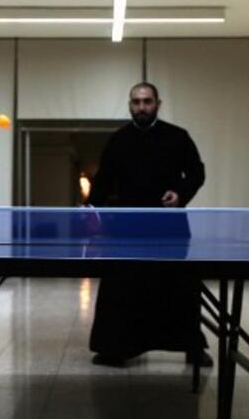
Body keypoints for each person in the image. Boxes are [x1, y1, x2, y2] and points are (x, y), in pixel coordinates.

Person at [86, 81, 209, 367]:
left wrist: (180, 192)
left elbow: (196, 172)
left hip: (169, 226)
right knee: (121, 289)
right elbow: (103, 180)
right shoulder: (118, 140)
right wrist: (91, 209)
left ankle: (192, 347)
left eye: (147, 101)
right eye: (136, 102)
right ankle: (115, 348)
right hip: (125, 228)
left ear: (158, 104)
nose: (141, 107)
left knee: (181, 288)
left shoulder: (178, 137)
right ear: (130, 105)